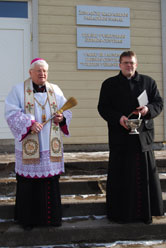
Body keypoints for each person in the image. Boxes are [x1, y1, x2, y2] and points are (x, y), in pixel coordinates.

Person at [5, 58, 72, 229]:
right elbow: (11, 113)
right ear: (30, 72)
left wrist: (61, 117)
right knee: (29, 184)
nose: (42, 74)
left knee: (50, 182)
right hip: (30, 145)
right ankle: (28, 221)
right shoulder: (19, 90)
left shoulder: (55, 90)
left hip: (50, 147)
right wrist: (29, 123)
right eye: (39, 71)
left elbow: (67, 109)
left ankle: (51, 219)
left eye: (45, 71)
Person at [97, 51, 163, 224]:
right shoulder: (109, 84)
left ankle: (145, 213)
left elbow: (159, 103)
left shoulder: (148, 82)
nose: (129, 66)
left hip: (143, 138)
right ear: (119, 65)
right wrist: (119, 118)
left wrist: (148, 109)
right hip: (121, 138)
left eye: (132, 63)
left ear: (136, 64)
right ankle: (121, 215)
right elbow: (103, 108)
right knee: (122, 177)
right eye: (126, 63)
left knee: (144, 177)